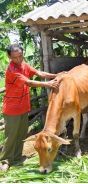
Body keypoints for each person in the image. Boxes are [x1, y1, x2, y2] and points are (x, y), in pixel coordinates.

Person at [0, 43, 59, 171]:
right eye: (15, 57)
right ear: (9, 57)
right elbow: (28, 82)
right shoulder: (12, 70)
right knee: (11, 136)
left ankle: (16, 157)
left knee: (21, 134)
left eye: (20, 56)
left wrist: (55, 76)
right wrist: (48, 84)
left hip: (23, 107)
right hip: (12, 109)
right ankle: (5, 160)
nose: (18, 59)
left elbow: (39, 73)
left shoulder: (24, 65)